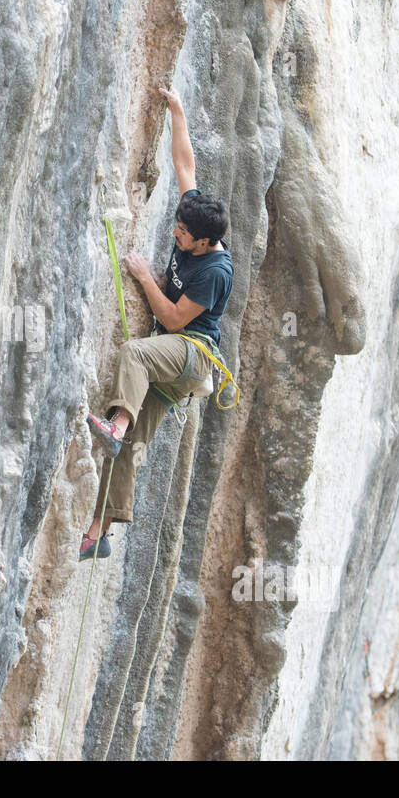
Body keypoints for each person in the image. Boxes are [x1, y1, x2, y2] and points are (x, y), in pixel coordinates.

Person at [79, 86, 233, 560]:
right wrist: (178, 111)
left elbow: (170, 316)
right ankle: (98, 532)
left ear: (205, 242)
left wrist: (146, 276)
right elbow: (185, 164)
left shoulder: (214, 271)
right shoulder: (197, 216)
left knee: (134, 354)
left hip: (191, 355)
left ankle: (115, 425)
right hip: (176, 358)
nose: (175, 233)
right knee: (132, 448)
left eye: (183, 234)